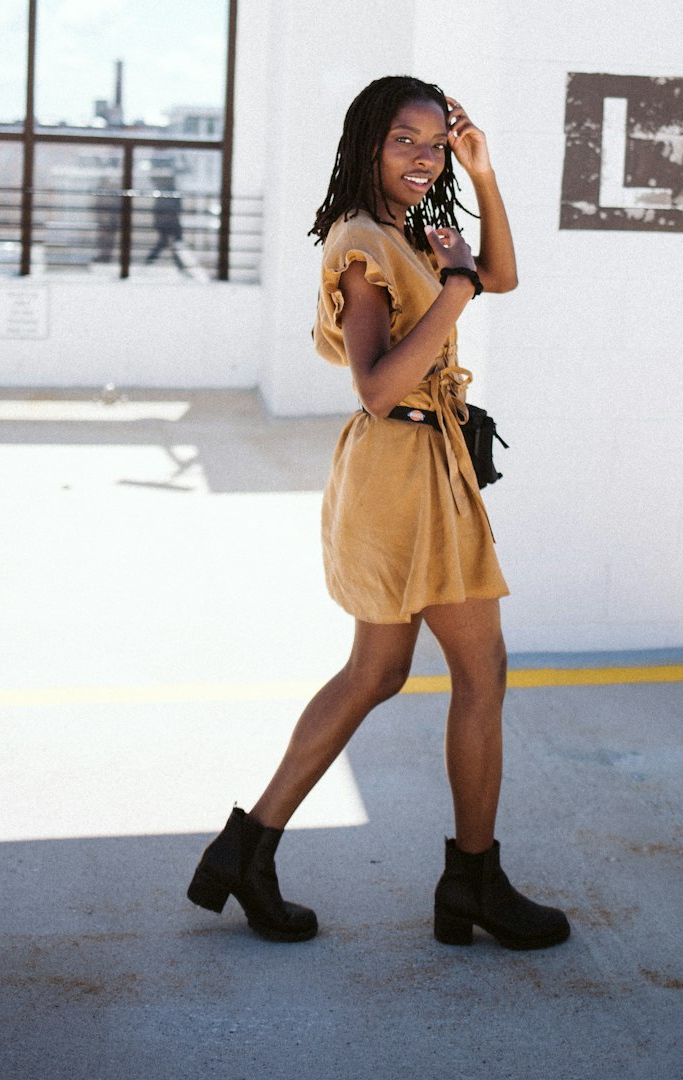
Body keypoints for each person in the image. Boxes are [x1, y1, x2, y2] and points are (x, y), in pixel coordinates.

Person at [187, 76, 569, 951]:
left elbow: (501, 274)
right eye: (406, 139)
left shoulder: (410, 231)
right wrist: (456, 289)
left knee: (375, 673)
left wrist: (483, 175)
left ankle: (245, 850)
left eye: (436, 143)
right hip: (403, 477)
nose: (423, 156)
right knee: (483, 674)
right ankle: (472, 881)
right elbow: (375, 387)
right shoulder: (362, 243)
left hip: (415, 472)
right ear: (368, 143)